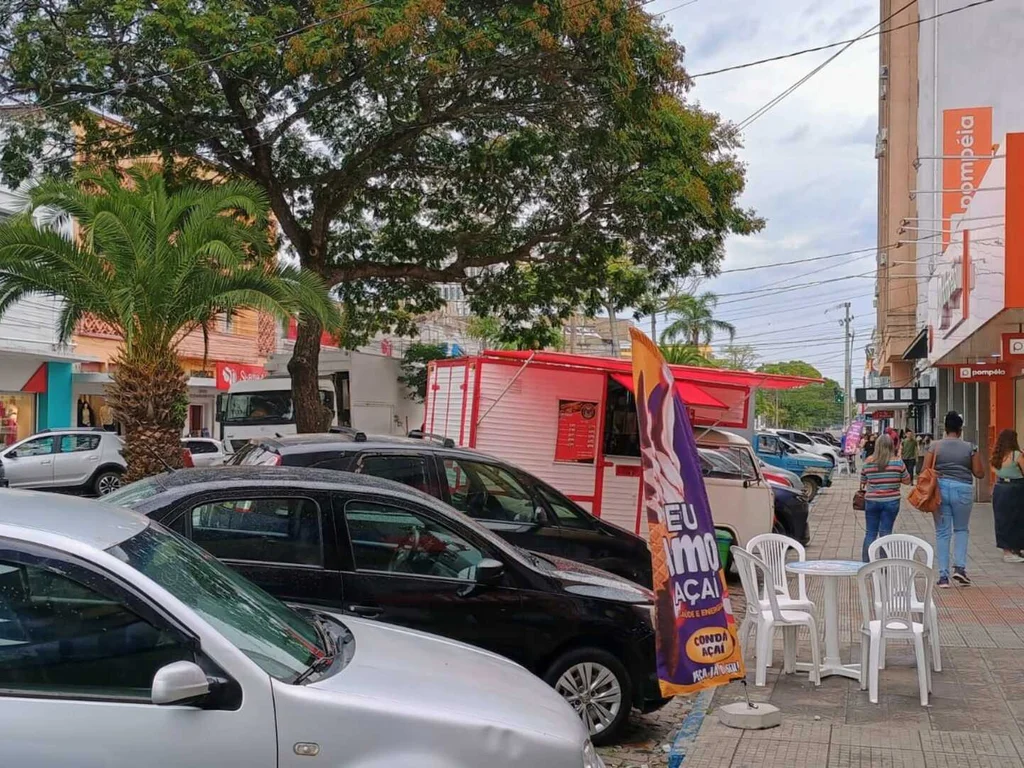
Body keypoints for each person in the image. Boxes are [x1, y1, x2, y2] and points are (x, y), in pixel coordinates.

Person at [923, 411, 985, 588]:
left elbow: (925, 470)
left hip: (940, 490)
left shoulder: (934, 446)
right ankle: (960, 568)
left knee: (943, 532)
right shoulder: (970, 447)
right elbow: (979, 473)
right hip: (963, 489)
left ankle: (943, 576)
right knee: (961, 529)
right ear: (960, 429)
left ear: (945, 428)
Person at [859, 434, 911, 562]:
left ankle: (866, 564)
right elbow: (907, 481)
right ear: (891, 446)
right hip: (891, 501)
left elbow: (863, 481)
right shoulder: (898, 462)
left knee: (870, 533)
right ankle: (884, 565)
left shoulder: (868, 462)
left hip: (872, 501)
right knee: (886, 533)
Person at [990, 429, 1024, 563]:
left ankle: (1007, 551)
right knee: (1018, 519)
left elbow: (994, 470)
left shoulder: (996, 456)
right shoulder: (1017, 455)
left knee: (1002, 520)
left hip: (1000, 488)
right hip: (1017, 488)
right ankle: (1016, 548)